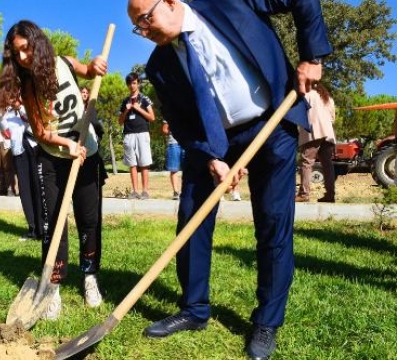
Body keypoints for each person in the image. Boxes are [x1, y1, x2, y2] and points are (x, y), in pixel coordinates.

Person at [127, 0, 332, 359]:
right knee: (192, 216)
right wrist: (210, 158)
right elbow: (182, 123)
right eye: (138, 28)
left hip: (272, 123)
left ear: (171, 2)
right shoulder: (159, 66)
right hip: (213, 141)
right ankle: (194, 309)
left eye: (146, 19)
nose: (145, 31)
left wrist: (312, 57)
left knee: (272, 222)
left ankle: (267, 322)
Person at [0, 20, 108, 319]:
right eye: (15, 53)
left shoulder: (65, 64)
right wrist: (67, 145)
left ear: (37, 43)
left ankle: (90, 276)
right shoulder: (29, 88)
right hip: (54, 155)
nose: (22, 57)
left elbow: (88, 71)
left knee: (89, 219)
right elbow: (41, 131)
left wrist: (95, 66)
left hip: (88, 152)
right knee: (54, 223)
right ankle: (53, 285)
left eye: (25, 49)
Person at [0, 97, 43, 241]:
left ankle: (43, 228)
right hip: (19, 151)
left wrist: (21, 107)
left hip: (35, 149)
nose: (12, 99)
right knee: (25, 190)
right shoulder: (7, 114)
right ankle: (32, 228)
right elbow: (5, 132)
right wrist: (0, 112)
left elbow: (33, 120)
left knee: (38, 187)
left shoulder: (30, 105)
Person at [296, 85, 336, 203]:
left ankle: (304, 194)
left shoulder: (306, 95)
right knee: (327, 164)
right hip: (328, 134)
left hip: (314, 131)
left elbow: (298, 113)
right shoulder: (328, 99)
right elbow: (333, 118)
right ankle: (330, 195)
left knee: (306, 161)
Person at [118, 72, 156, 200]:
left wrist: (138, 108)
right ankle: (135, 191)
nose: (131, 85)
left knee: (144, 163)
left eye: (134, 82)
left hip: (142, 133)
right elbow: (120, 121)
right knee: (132, 164)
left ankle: (145, 191)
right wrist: (127, 109)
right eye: (129, 83)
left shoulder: (144, 99)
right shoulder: (124, 101)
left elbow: (152, 117)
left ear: (138, 83)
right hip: (128, 135)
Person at [162, 119, 183, 200]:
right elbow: (164, 130)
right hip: (174, 143)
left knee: (189, 169)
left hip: (188, 142)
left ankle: (187, 192)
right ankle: (176, 192)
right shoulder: (170, 111)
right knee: (174, 169)